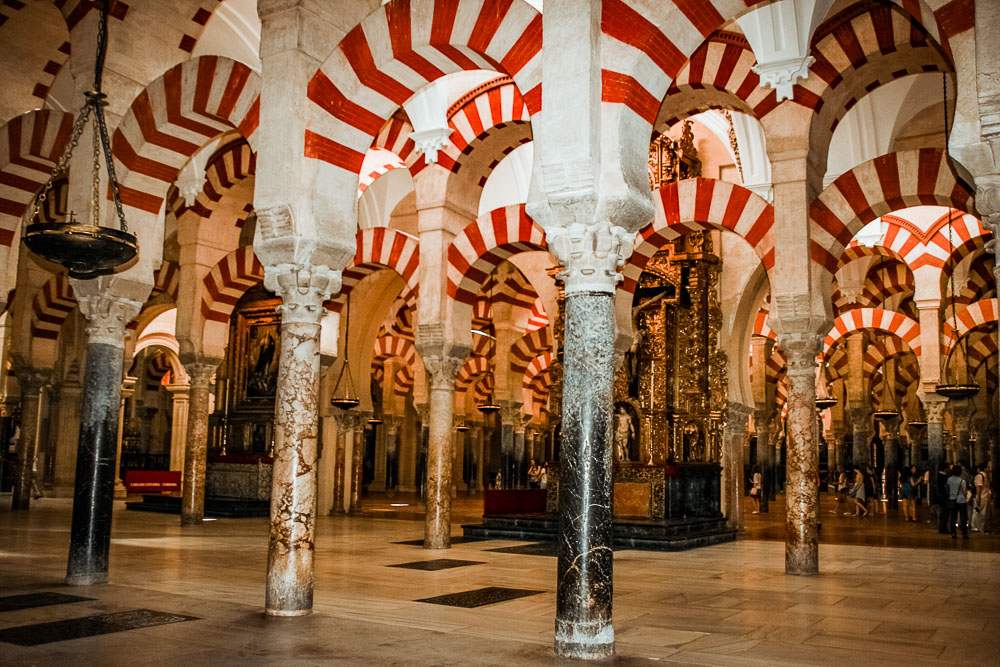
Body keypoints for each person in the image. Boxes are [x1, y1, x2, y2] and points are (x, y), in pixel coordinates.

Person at [945, 464, 969, 539]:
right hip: (961, 501)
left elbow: (947, 489)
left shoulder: (949, 479)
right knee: (963, 517)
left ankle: (953, 533)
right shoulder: (962, 481)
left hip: (952, 499)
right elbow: (965, 492)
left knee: (953, 517)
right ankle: (964, 534)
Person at [971, 465, 993, 533]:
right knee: (982, 513)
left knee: (983, 513)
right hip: (984, 496)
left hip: (984, 496)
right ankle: (981, 527)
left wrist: (978, 497)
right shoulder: (982, 475)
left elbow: (980, 487)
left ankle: (981, 527)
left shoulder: (982, 475)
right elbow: (979, 487)